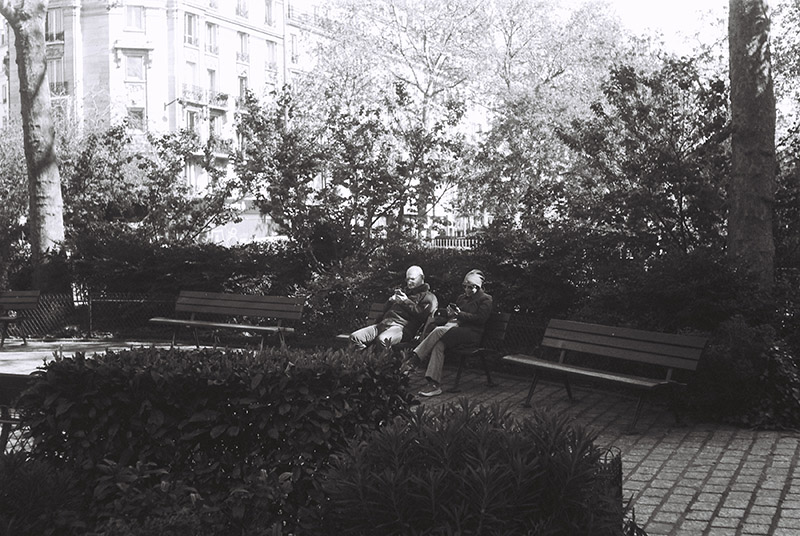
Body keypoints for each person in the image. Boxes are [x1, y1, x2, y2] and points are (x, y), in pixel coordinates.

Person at [407, 269, 493, 397]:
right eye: (465, 287)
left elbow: (480, 319)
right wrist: (448, 313)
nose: (467, 290)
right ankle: (434, 384)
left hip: (471, 334)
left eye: (471, 287)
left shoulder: (486, 299)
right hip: (454, 330)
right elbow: (453, 317)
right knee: (439, 345)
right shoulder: (461, 298)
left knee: (438, 331)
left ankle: (414, 359)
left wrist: (460, 314)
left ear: (478, 287)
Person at [349, 265, 438, 350]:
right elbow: (384, 311)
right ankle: (368, 361)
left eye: (412, 279)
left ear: (422, 278)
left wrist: (405, 301)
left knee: (383, 340)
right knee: (355, 337)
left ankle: (383, 364)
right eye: (407, 279)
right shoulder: (405, 293)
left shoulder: (429, 297)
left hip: (401, 328)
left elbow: (422, 315)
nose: (409, 282)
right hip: (383, 324)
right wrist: (391, 301)